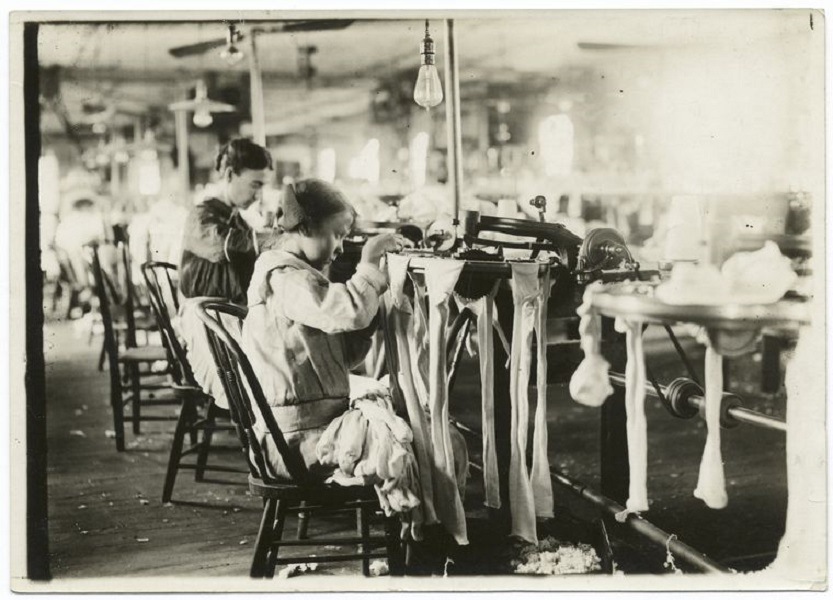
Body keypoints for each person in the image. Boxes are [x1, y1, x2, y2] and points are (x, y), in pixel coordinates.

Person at [241, 179, 408, 478]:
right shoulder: (284, 279)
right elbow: (350, 313)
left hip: (310, 430)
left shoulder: (297, 276)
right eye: (338, 235)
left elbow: (337, 356)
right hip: (294, 445)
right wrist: (368, 262)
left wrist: (370, 321)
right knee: (406, 438)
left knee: (401, 424)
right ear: (305, 228)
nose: (342, 247)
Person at [179, 138, 273, 305]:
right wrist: (274, 239)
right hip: (207, 315)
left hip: (227, 310)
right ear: (230, 174)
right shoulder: (200, 215)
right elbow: (224, 246)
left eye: (262, 187)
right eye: (255, 185)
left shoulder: (234, 216)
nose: (259, 195)